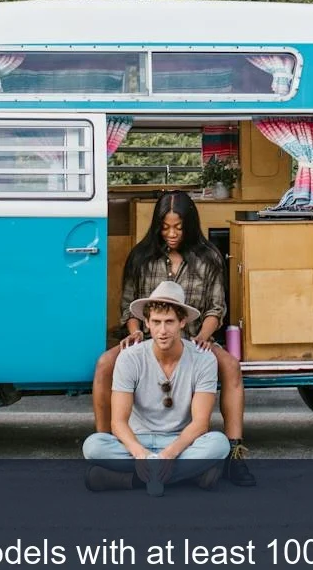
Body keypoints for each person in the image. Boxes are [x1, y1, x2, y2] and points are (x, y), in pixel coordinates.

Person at [93, 190, 255, 486]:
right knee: (105, 363)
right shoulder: (141, 257)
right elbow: (128, 305)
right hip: (147, 337)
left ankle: (234, 454)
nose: (171, 234)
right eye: (165, 227)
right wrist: (135, 334)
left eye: (178, 228)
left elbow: (216, 308)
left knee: (231, 367)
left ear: (189, 225)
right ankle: (109, 438)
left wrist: (205, 336)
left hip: (196, 339)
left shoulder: (209, 258)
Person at [83, 281, 231, 494]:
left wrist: (169, 455)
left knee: (219, 444)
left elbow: (200, 424)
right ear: (147, 323)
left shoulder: (203, 359)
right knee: (93, 446)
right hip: (137, 441)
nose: (162, 331)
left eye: (169, 322)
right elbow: (117, 422)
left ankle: (131, 480)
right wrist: (141, 455)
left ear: (182, 322)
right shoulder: (129, 358)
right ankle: (190, 476)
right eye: (157, 322)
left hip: (180, 443)